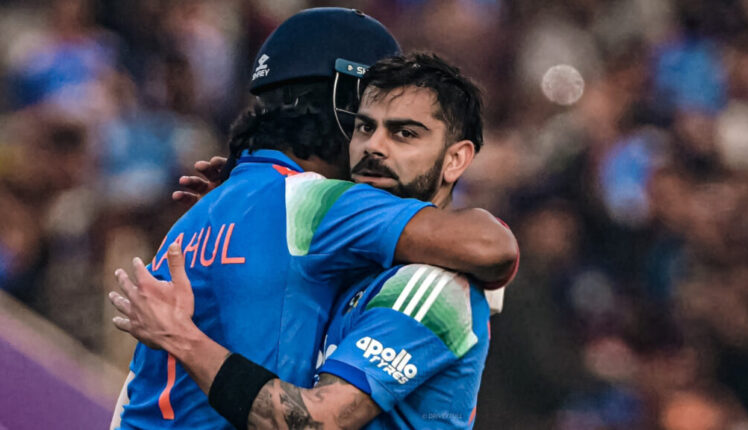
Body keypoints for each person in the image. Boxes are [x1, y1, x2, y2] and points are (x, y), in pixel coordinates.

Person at [109, 9, 517, 430]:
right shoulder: (316, 204)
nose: (374, 146)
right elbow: (490, 246)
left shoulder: (197, 216)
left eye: (403, 132)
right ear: (344, 109)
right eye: (365, 123)